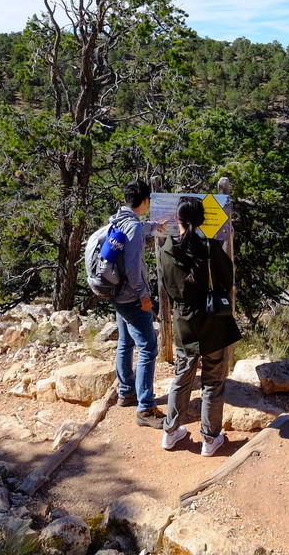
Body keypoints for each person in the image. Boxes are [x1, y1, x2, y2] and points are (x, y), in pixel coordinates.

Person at [158, 196, 242, 456]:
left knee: (182, 378)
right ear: (203, 220)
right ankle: (210, 438)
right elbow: (227, 278)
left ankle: (171, 432)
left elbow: (165, 286)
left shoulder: (166, 251)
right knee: (213, 381)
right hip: (213, 322)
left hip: (185, 324)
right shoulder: (210, 248)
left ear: (177, 219)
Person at [110, 179, 165, 428]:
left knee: (125, 342)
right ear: (145, 201)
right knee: (148, 348)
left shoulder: (119, 219)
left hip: (117, 293)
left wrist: (155, 226)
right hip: (132, 296)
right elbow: (133, 269)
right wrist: (144, 295)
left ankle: (126, 392)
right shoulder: (132, 227)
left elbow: (138, 229)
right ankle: (146, 408)